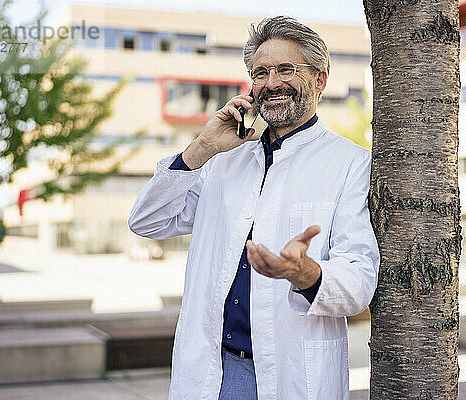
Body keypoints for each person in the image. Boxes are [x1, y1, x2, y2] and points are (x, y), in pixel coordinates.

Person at [128, 15, 380, 400]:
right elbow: (147, 219)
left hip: (294, 372)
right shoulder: (223, 159)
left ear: (320, 79)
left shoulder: (350, 164)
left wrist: (306, 272)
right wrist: (201, 148)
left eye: (286, 69)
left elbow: (360, 281)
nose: (272, 83)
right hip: (217, 369)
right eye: (261, 73)